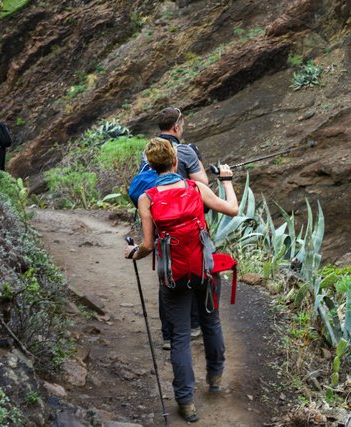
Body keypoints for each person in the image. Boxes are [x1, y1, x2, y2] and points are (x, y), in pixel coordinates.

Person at [125, 137, 238, 422]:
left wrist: (133, 252)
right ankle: (214, 378)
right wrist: (226, 180)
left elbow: (148, 246)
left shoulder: (146, 198)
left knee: (179, 338)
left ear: (150, 166)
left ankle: (186, 402)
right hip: (204, 269)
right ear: (176, 162)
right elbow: (233, 210)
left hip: (173, 276)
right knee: (211, 321)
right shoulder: (195, 188)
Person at [148, 107, 208, 350]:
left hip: (159, 223)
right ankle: (193, 325)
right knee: (191, 272)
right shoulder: (185, 152)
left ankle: (168, 335)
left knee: (167, 276)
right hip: (186, 222)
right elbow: (202, 183)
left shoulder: (149, 152)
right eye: (182, 124)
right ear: (176, 127)